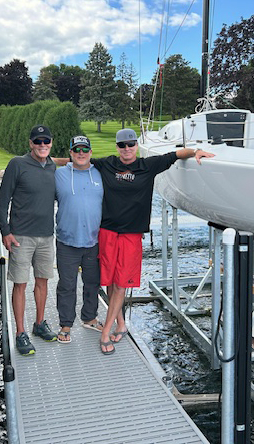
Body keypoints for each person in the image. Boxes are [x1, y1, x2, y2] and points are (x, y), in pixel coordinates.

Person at [91, 128, 214, 354]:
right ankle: (121, 324)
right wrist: (46, 160)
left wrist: (196, 151)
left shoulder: (148, 166)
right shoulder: (107, 164)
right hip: (107, 232)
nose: (127, 149)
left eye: (130, 144)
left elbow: (176, 154)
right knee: (109, 281)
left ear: (136, 146)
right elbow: (78, 160)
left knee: (120, 284)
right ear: (117, 147)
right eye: (122, 145)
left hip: (131, 235)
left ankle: (105, 331)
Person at [0, 124, 58, 355]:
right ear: (31, 143)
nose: (42, 145)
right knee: (20, 284)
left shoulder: (53, 167)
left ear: (51, 143)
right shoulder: (17, 164)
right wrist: (6, 232)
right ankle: (20, 332)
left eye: (46, 141)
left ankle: (39, 324)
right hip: (21, 236)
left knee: (42, 282)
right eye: (38, 141)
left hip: (46, 236)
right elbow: (2, 202)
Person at [55, 136, 104, 343]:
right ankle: (66, 325)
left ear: (91, 153)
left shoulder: (100, 174)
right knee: (67, 285)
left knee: (92, 283)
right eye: (77, 150)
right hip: (67, 241)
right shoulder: (58, 175)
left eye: (85, 149)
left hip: (94, 241)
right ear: (71, 153)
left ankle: (90, 318)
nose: (81, 153)